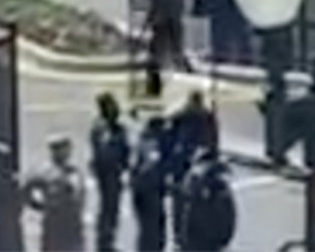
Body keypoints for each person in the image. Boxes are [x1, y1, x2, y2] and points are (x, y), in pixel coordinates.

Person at [24, 135, 87, 252]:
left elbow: (80, 194)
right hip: (54, 220)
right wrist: (38, 206)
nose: (67, 152)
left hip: (73, 221)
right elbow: (26, 189)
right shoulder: (44, 171)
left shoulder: (74, 171)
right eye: (63, 149)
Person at [89, 92, 132, 252]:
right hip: (107, 173)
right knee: (107, 208)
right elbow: (104, 151)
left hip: (115, 172)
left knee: (112, 208)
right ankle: (104, 242)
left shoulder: (117, 128)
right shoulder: (102, 128)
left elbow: (124, 149)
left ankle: (108, 239)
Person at [173, 147, 236, 252]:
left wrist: (180, 239)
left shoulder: (190, 183)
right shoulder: (220, 186)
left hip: (197, 240)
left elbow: (182, 214)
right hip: (208, 241)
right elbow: (229, 216)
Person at [142, 0, 190, 100]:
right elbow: (182, 7)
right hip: (175, 23)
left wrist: (146, 25)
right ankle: (183, 69)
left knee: (155, 54)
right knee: (176, 49)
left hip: (161, 25)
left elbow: (153, 10)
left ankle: (154, 84)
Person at [128, 118, 168, 252]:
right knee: (153, 230)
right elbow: (151, 164)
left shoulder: (140, 142)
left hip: (141, 190)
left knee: (147, 229)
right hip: (148, 191)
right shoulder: (150, 144)